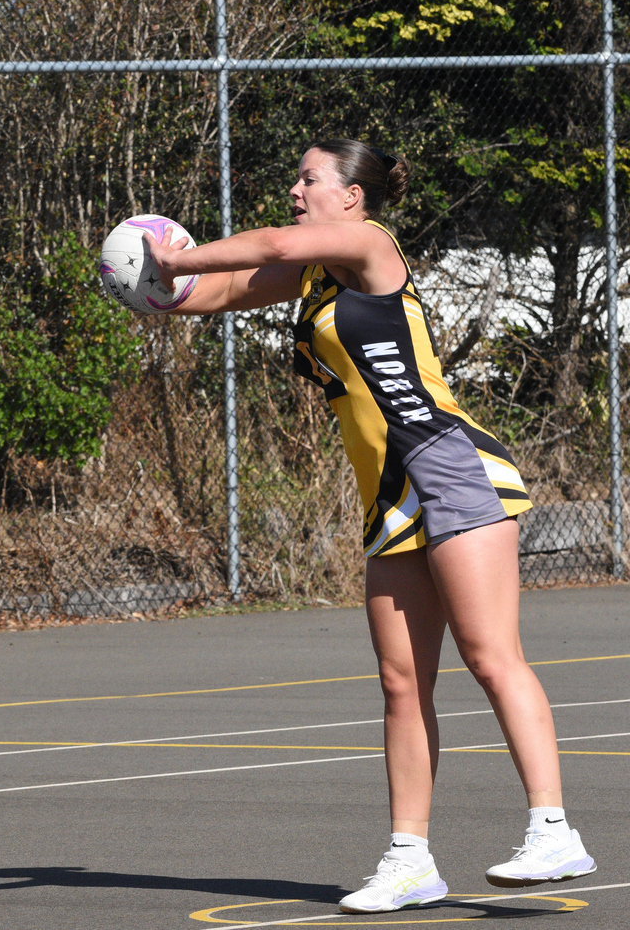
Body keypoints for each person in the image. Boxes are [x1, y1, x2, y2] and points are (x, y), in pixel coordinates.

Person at [143, 139, 596, 913]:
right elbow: (223, 291)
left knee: (490, 655)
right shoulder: (316, 274)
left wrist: (179, 256)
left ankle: (553, 828)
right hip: (392, 495)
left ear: (351, 196)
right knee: (400, 683)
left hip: (451, 470)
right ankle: (410, 859)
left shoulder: (369, 244)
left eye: (309, 178)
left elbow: (272, 245)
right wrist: (153, 284)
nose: (295, 189)